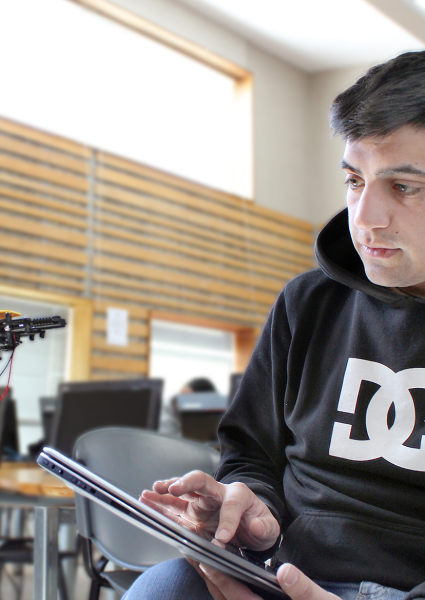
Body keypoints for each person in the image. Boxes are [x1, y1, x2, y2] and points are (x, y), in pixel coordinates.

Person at [123, 50, 425, 600]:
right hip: (280, 576)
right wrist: (251, 505)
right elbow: (251, 453)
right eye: (354, 180)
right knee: (164, 588)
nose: (364, 217)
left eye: (403, 187)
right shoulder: (306, 304)